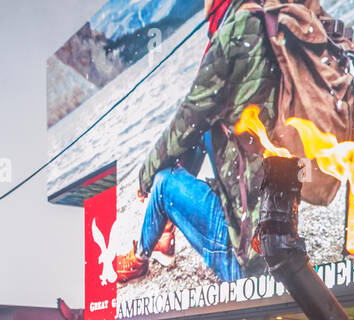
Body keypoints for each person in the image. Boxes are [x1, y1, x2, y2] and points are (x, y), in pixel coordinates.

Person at [111, 0, 279, 284]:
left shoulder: (234, 32)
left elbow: (188, 117)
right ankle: (165, 232)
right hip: (275, 224)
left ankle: (140, 258)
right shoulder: (268, 22)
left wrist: (146, 174)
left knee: (163, 182)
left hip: (244, 257)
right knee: (203, 132)